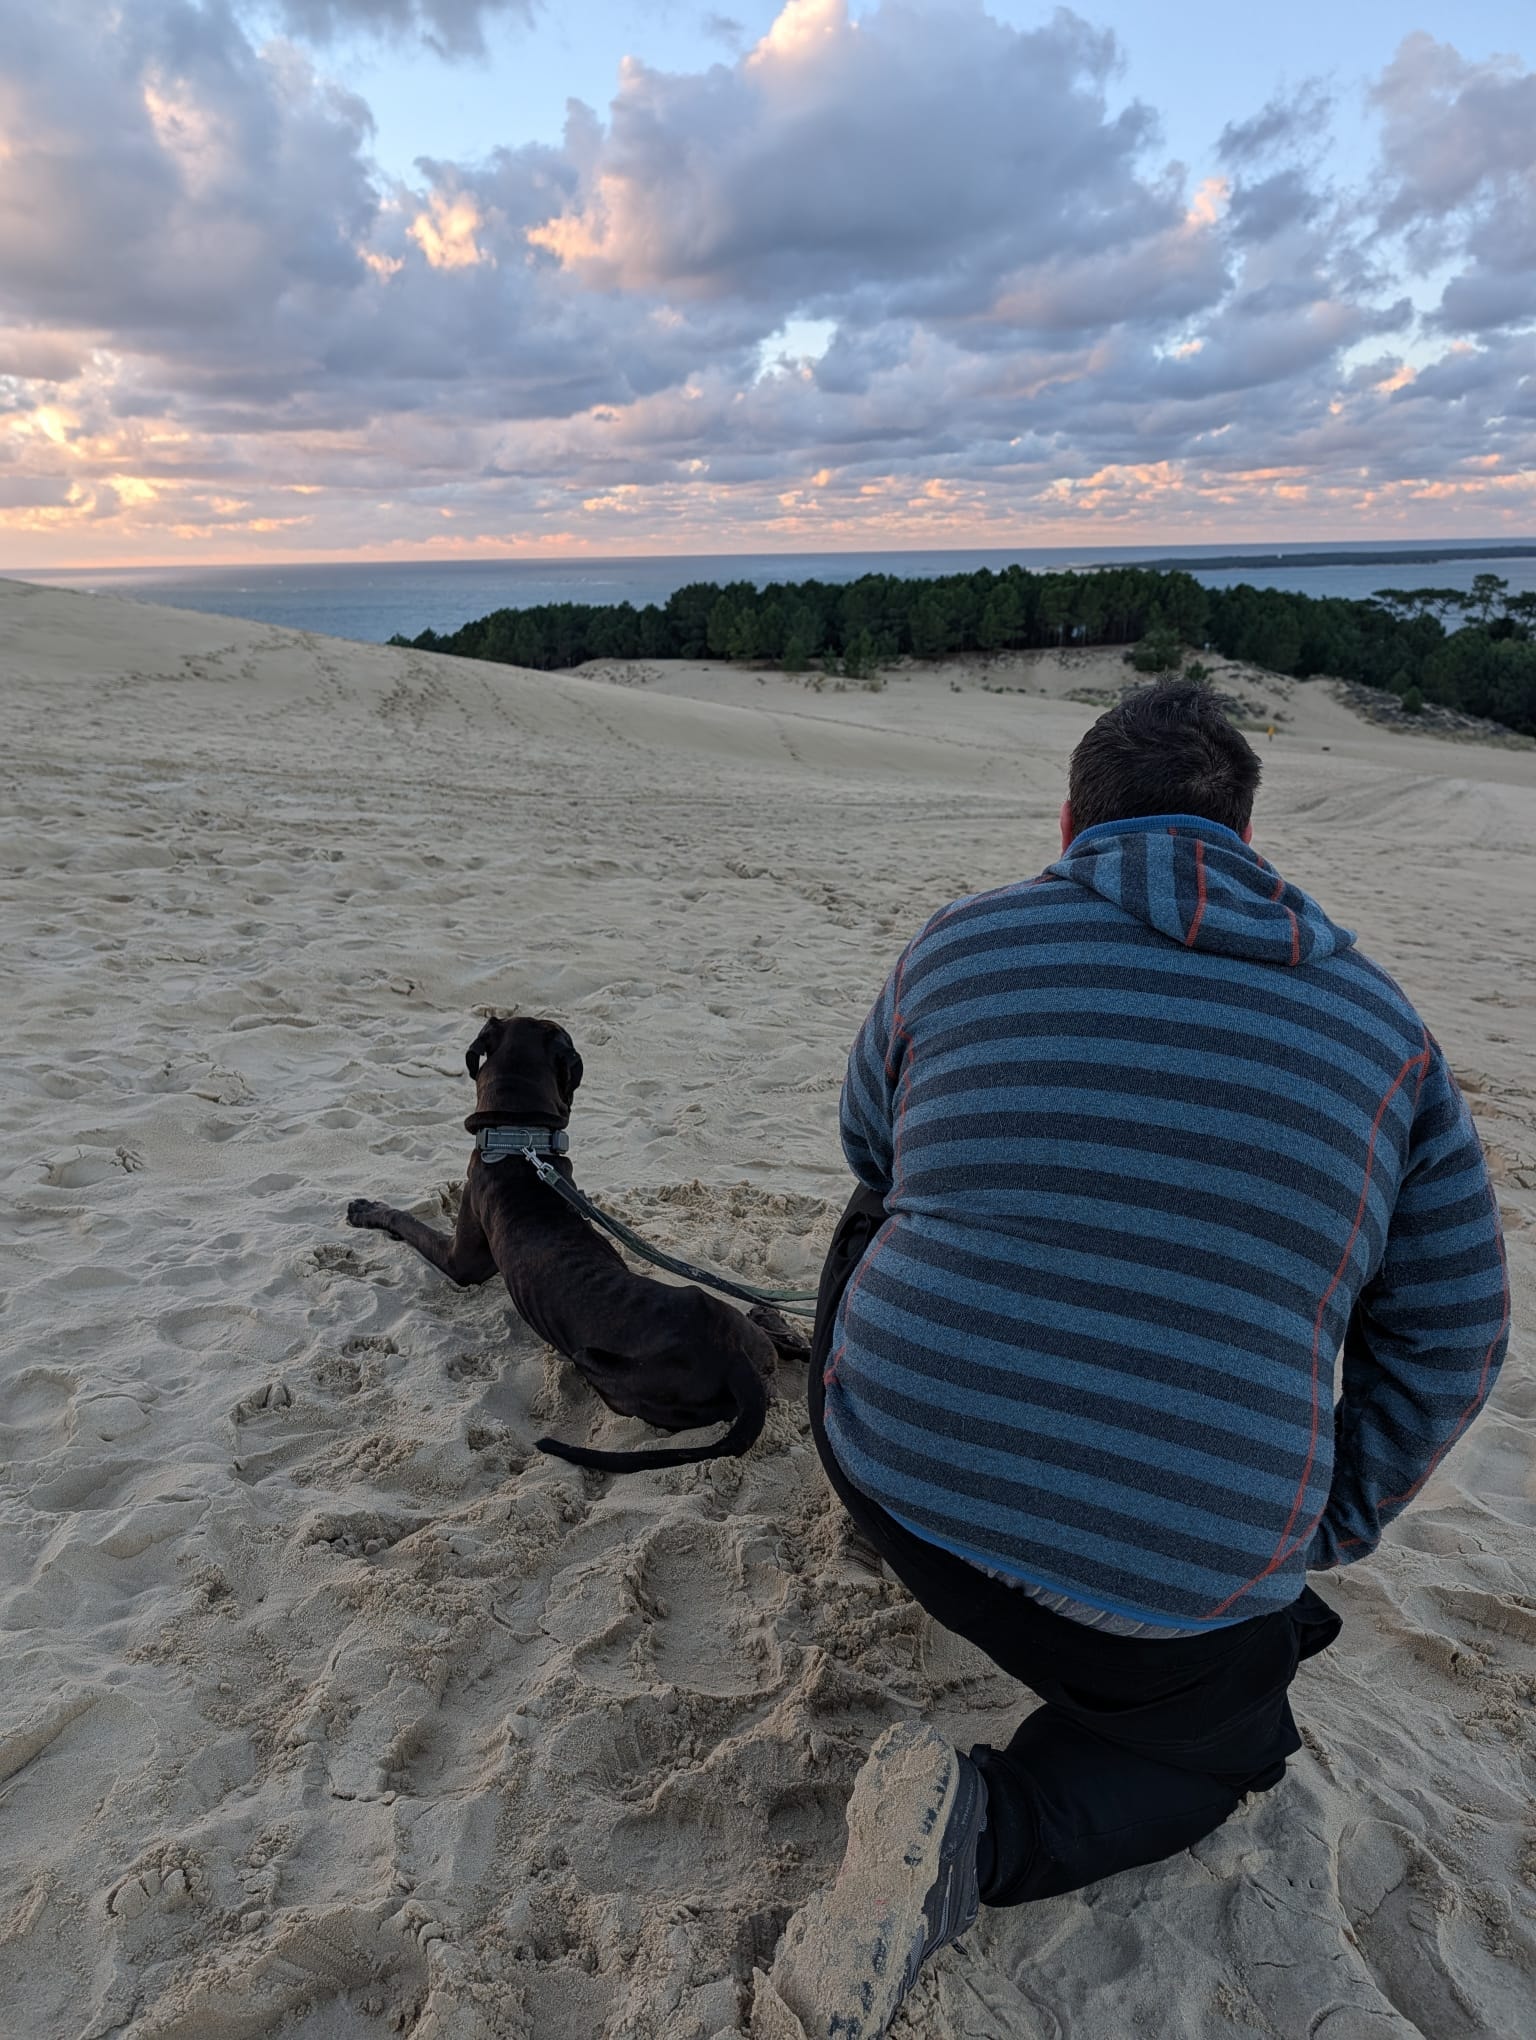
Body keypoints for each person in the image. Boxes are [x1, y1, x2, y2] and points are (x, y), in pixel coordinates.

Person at [764, 682, 1509, 2039]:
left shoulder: (959, 943)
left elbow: (868, 1152)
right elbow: (1457, 1330)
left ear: (1069, 821)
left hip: (884, 1467)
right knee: (1229, 1755)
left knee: (886, 1206)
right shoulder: (1389, 1036)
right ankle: (981, 1834)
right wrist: (1326, 1518)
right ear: (1244, 830)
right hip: (1163, 1594)